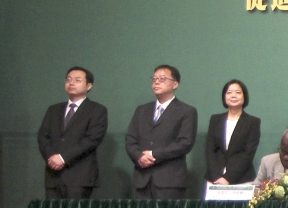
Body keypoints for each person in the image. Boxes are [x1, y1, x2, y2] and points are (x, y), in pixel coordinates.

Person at [124, 65, 198, 200]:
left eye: (162, 79)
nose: (156, 82)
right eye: (154, 79)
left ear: (175, 84)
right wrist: (139, 156)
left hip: (170, 181)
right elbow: (130, 139)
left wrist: (153, 154)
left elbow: (185, 143)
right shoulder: (141, 110)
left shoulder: (186, 111)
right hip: (142, 179)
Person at [37, 66, 108, 199]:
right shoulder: (53, 110)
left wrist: (63, 158)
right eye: (68, 79)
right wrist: (52, 157)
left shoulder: (97, 110)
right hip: (53, 175)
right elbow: (43, 137)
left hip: (79, 176)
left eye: (77, 80)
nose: (71, 83)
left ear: (89, 86)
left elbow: (92, 140)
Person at [205, 79, 262, 186]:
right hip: (215, 179)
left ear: (244, 97)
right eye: (229, 92)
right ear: (224, 96)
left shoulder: (252, 122)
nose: (233, 96)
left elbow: (248, 154)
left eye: (238, 92)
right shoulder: (215, 119)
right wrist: (217, 177)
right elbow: (210, 150)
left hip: (242, 179)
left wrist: (228, 178)